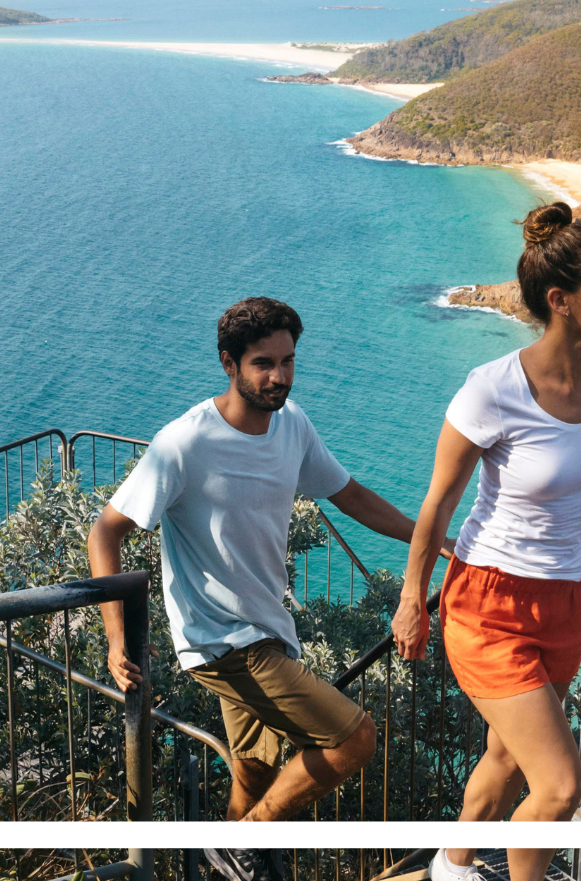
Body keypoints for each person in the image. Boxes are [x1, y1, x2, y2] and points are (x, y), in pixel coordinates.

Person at [88, 297, 419, 881]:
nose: (280, 377)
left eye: (288, 361)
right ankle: (244, 842)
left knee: (255, 772)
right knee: (354, 739)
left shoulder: (293, 426)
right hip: (221, 640)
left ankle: (230, 863)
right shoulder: (183, 444)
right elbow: (105, 533)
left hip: (269, 627)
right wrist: (117, 636)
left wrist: (431, 541)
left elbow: (352, 496)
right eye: (263, 363)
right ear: (228, 363)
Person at [390, 203, 581, 881]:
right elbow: (438, 504)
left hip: (569, 598)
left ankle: (453, 866)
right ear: (561, 300)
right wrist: (413, 600)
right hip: (490, 604)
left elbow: (580, 464)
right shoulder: (493, 390)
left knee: (505, 754)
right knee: (558, 788)